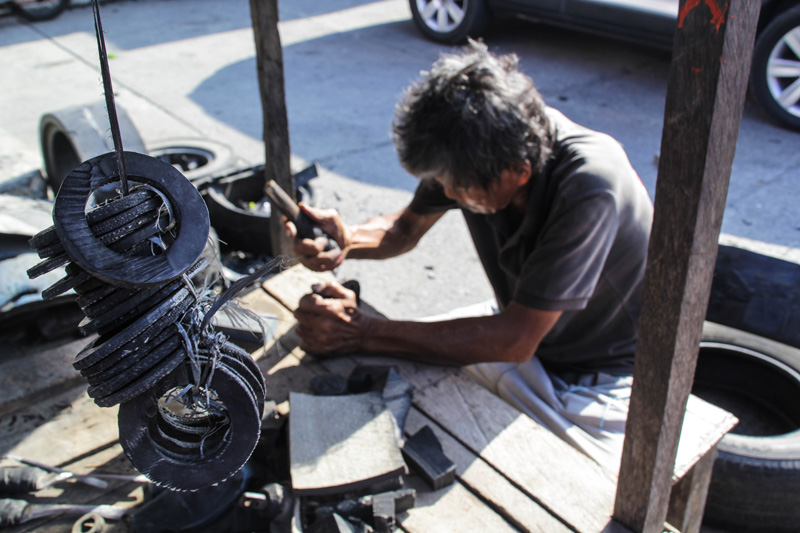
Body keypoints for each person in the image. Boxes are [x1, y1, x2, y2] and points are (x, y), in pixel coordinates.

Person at [285, 41, 653, 473]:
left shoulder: (590, 185)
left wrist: (362, 332)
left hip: (596, 373)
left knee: (557, 483)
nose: (449, 194)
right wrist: (347, 239)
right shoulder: (465, 146)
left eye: (459, 189)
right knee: (397, 387)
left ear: (519, 171)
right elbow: (404, 230)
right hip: (521, 331)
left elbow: (514, 339)